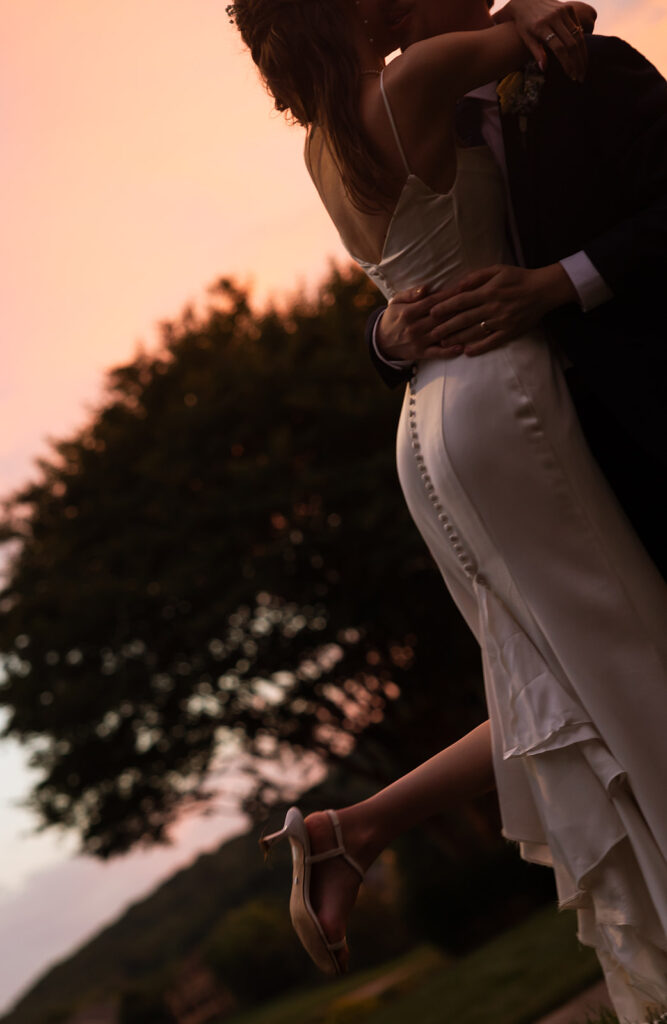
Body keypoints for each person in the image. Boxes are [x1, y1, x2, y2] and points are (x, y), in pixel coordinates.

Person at [228, 0, 667, 1018]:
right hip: (498, 399)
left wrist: (389, 335)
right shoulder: (417, 76)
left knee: (552, 673)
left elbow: (400, 290)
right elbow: (546, 21)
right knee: (621, 656)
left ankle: (360, 828)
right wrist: (522, 17)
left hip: (426, 428)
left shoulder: (322, 146)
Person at [366, 0, 667, 581]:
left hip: (644, 411)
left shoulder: (592, 70)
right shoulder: (400, 131)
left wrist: (558, 283)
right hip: (525, 465)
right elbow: (405, 269)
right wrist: (384, 337)